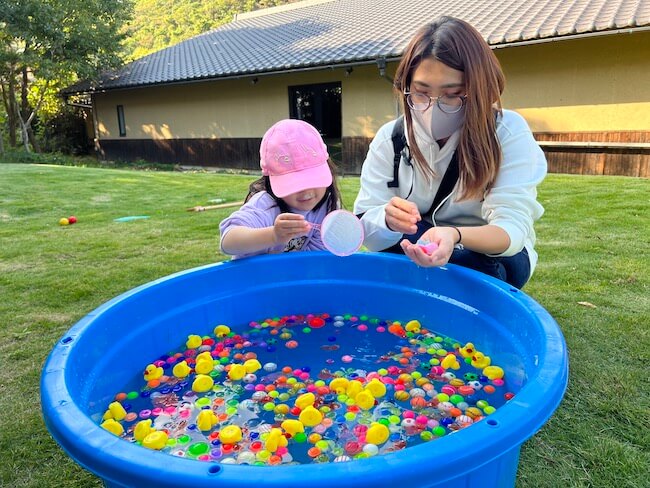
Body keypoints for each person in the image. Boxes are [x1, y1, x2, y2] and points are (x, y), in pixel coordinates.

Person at [353, 16, 547, 288]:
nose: (433, 108)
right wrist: (385, 218)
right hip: (420, 238)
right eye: (420, 93)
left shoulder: (506, 131)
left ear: (479, 90)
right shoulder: (391, 137)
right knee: (391, 261)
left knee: (471, 268)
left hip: (487, 253)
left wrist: (454, 235)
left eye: (453, 94)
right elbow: (366, 231)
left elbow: (512, 230)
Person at [220, 119, 342, 259]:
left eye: (313, 180)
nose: (307, 192)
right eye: (295, 184)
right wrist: (273, 236)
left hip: (288, 278)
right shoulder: (265, 205)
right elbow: (228, 242)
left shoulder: (326, 208)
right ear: (272, 182)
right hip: (255, 277)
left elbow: (313, 260)